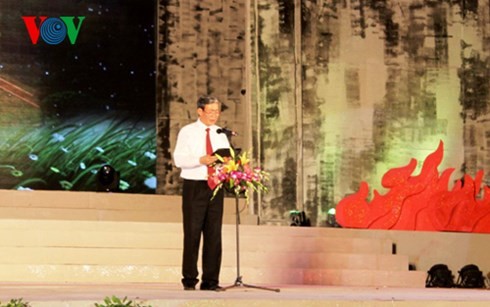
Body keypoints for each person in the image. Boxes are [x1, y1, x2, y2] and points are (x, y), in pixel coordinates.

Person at [173, 95, 230, 291]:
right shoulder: (187, 132)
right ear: (200, 111)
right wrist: (200, 160)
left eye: (217, 111)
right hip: (195, 185)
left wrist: (232, 166)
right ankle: (189, 279)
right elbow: (179, 159)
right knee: (192, 233)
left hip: (216, 186)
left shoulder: (220, 133)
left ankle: (211, 281)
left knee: (214, 234)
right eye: (210, 111)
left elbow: (227, 157)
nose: (214, 115)